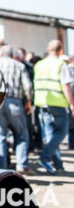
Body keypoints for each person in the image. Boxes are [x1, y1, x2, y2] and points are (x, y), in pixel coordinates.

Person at [0, 45, 33, 173]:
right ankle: (21, 164)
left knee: (0, 136)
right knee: (22, 134)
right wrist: (28, 102)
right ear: (12, 54)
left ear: (0, 54)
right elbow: (27, 87)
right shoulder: (19, 65)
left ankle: (2, 166)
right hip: (15, 102)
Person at [33, 39, 74, 174]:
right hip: (57, 102)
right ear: (60, 50)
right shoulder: (60, 65)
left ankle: (58, 165)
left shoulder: (39, 64)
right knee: (61, 133)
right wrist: (72, 104)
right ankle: (44, 157)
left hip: (42, 102)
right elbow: (66, 86)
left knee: (51, 135)